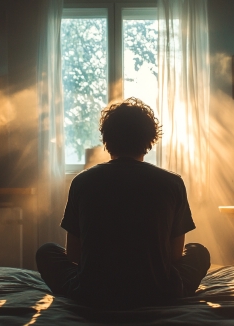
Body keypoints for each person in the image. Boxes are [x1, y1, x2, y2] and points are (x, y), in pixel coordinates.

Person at [36, 97, 210, 309]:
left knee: (47, 252)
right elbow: (174, 256)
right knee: (198, 252)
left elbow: (74, 255)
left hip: (92, 293)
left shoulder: (82, 181)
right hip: (158, 292)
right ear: (150, 140)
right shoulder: (172, 183)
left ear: (107, 139)